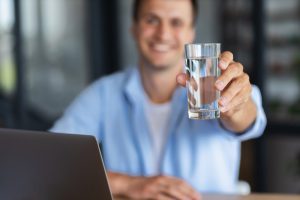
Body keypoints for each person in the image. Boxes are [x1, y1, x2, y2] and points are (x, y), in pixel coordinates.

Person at [50, 0, 267, 199]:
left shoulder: (211, 86)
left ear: (191, 33)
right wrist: (127, 184)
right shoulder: (103, 94)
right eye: (152, 20)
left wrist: (234, 106)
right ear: (134, 28)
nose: (163, 34)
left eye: (176, 22)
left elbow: (246, 119)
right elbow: (52, 159)